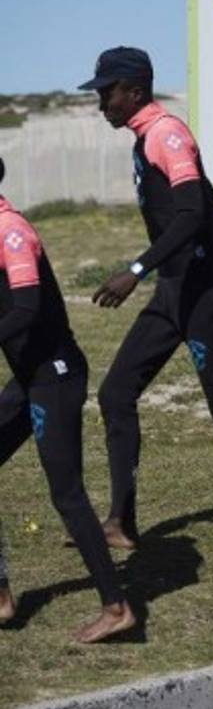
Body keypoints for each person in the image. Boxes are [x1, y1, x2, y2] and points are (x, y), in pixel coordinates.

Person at [80, 47, 213, 558]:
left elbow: (193, 213)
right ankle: (120, 522)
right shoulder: (146, 138)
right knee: (116, 393)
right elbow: (208, 204)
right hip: (174, 291)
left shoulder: (167, 135)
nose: (102, 103)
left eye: (107, 93)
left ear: (135, 91)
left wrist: (136, 270)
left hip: (197, 295)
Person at [0, 156, 134, 642]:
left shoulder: (11, 231)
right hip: (29, 377)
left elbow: (26, 308)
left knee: (67, 494)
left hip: (55, 377)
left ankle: (117, 607)